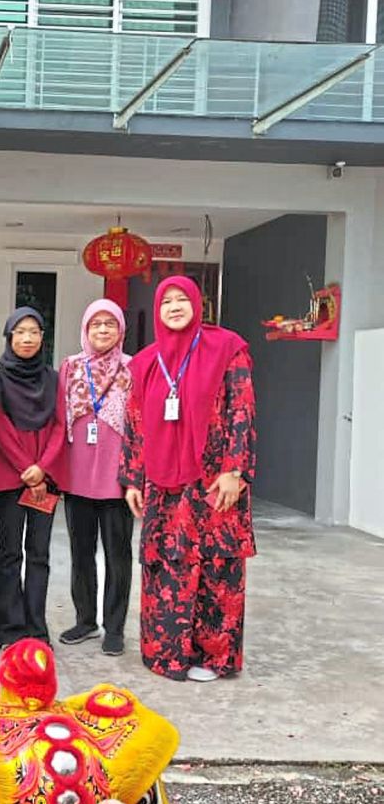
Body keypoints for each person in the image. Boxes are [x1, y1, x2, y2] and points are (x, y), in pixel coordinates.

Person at [120, 276, 256, 682]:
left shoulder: (227, 348)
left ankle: (213, 657)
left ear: (198, 305)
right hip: (164, 486)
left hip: (215, 480)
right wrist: (132, 478)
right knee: (167, 565)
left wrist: (236, 470)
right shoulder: (145, 361)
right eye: (167, 301)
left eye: (183, 299)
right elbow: (135, 423)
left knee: (218, 566)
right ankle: (168, 655)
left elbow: (241, 409)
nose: (175, 306)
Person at [56, 299, 134, 657]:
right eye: (95, 324)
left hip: (117, 479)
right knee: (80, 552)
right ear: (85, 330)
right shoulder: (71, 367)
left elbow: (141, 424)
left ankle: (114, 628)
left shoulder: (133, 368)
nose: (102, 330)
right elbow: (59, 419)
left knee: (118, 554)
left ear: (120, 330)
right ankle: (85, 620)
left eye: (110, 324)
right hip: (77, 477)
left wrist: (136, 475)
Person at [0, 307, 63, 650]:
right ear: (9, 337)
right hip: (9, 476)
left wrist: (43, 468)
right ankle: (8, 628)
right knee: (9, 552)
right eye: (20, 332)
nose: (27, 338)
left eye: (34, 331)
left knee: (39, 553)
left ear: (42, 337)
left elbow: (61, 425)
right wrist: (26, 467)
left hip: (45, 480)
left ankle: (36, 627)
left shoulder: (53, 378)